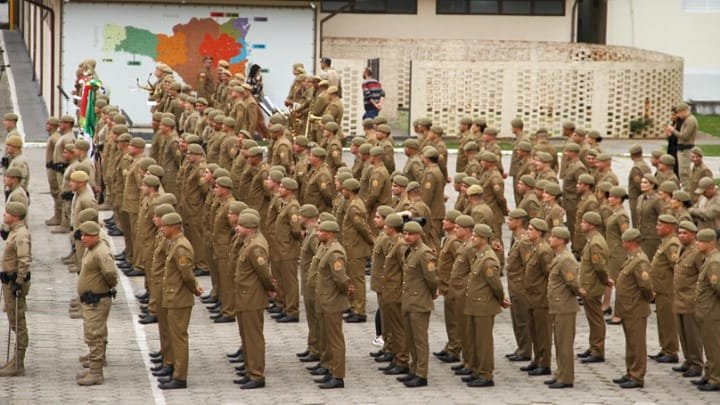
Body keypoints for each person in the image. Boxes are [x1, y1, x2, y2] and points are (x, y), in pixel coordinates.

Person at [156, 213, 203, 390]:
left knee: (179, 338)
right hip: (173, 295)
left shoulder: (181, 247)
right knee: (175, 336)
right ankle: (175, 370)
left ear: (174, 227)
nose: (161, 228)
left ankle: (180, 376)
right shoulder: (175, 243)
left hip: (179, 298)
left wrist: (194, 289)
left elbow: (187, 275)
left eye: (164, 226)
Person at [232, 213, 274, 389]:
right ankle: (250, 370)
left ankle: (257, 375)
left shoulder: (255, 247)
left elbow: (264, 272)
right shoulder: (249, 242)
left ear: (249, 228)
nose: (237, 228)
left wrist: (270, 288)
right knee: (247, 337)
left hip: (252, 297)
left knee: (253, 338)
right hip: (245, 296)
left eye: (240, 226)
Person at [463, 223, 508, 388]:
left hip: (484, 306)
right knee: (474, 341)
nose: (472, 238)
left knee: (483, 343)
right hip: (475, 305)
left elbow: (495, 285)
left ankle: (486, 374)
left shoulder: (488, 259)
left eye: (475, 236)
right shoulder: (479, 254)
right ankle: (476, 370)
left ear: (483, 239)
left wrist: (501, 299)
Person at [75, 221, 118, 386]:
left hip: (98, 300)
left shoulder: (101, 251)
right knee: (93, 333)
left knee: (94, 335)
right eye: (82, 235)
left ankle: (96, 372)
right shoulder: (92, 249)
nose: (83, 238)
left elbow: (110, 274)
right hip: (91, 299)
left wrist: (105, 287)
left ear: (95, 236)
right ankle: (94, 366)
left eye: (87, 235)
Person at [397, 221, 437, 388]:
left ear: (419, 235)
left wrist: (431, 294)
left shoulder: (424, 253)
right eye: (405, 233)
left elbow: (432, 279)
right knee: (411, 339)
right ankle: (413, 370)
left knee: (420, 340)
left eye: (411, 234)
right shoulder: (409, 250)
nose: (407, 236)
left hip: (419, 302)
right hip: (409, 301)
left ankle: (422, 374)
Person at [613, 228, 654, 389]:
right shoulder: (632, 259)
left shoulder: (640, 261)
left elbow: (645, 286)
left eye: (624, 241)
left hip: (636, 308)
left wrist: (647, 299)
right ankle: (630, 371)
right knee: (631, 343)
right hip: (628, 308)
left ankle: (637, 376)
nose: (622, 243)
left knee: (637, 343)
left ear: (631, 243)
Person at [313, 220, 351, 389]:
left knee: (335, 340)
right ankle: (331, 369)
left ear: (330, 233)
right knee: (327, 339)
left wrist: (344, 292)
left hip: (332, 301)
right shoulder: (327, 248)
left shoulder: (335, 252)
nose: (317, 233)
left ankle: (338, 376)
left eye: (320, 231)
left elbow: (341, 279)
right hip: (325, 300)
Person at [0, 202, 31, 378]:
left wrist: (19, 281)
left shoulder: (20, 235)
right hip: (8, 281)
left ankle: (18, 364)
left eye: (8, 213)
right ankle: (15, 360)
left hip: (14, 283)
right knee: (14, 320)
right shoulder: (14, 231)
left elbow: (24, 259)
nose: (4, 215)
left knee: (18, 322)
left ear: (16, 216)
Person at [546, 226, 579, 389]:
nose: (550, 239)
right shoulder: (558, 257)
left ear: (560, 240)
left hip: (565, 306)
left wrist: (578, 291)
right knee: (559, 342)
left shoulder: (566, 259)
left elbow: (572, 282)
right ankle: (560, 373)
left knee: (564, 343)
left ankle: (566, 377)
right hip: (558, 306)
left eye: (553, 236)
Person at [673, 220, 705, 378]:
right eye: (679, 233)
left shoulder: (697, 252)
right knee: (683, 333)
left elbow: (702, 274)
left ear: (693, 235)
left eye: (685, 233)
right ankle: (688, 360)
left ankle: (697, 363)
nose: (681, 236)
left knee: (693, 335)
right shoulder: (682, 249)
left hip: (690, 299)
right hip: (679, 298)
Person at [577, 212, 609, 364]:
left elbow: (599, 266)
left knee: (596, 319)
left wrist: (605, 280)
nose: (581, 224)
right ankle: (593, 346)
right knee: (592, 318)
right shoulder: (592, 240)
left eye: (584, 222)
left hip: (593, 286)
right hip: (589, 284)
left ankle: (597, 350)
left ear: (592, 225)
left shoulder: (595, 242)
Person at [694, 228, 720, 391]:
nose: (697, 244)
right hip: (705, 310)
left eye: (700, 241)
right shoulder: (709, 259)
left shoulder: (714, 262)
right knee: (708, 345)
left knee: (713, 347)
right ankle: (709, 374)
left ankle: (716, 379)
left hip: (712, 311)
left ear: (710, 243)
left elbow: (717, 287)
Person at [665, 102, 697, 190]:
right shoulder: (687, 120)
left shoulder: (691, 120)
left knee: (684, 173)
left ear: (684, 111)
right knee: (682, 172)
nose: (678, 115)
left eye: (679, 113)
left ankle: (687, 193)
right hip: (681, 149)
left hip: (686, 149)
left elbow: (685, 136)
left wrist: (673, 130)